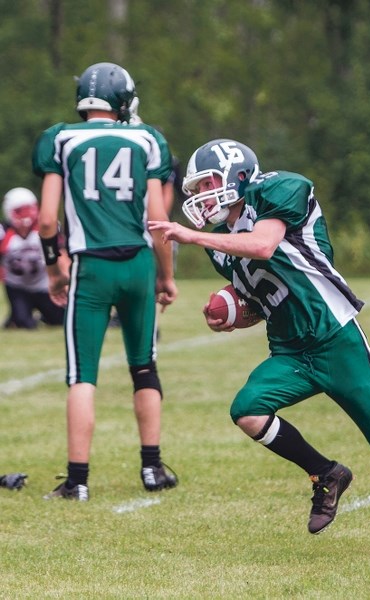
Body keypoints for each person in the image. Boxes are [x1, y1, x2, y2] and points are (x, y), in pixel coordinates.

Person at [149, 138, 370, 554]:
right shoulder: (221, 248)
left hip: (335, 340)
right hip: (291, 351)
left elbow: (262, 244)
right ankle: (325, 473)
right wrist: (233, 315)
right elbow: (264, 301)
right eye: (196, 190)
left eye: (207, 185)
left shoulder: (278, 190)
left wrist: (191, 237)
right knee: (248, 409)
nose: (201, 197)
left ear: (238, 176)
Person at [32, 62, 179, 501]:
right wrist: (165, 276)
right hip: (137, 264)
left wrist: (55, 269)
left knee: (83, 376)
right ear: (123, 100)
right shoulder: (148, 138)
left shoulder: (60, 138)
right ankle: (152, 468)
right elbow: (158, 221)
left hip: (91, 266)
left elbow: (44, 221)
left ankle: (77, 480)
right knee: (144, 366)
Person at [1, 187, 67, 329]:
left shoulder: (44, 230)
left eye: (29, 209)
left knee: (60, 320)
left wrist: (64, 279)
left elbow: (62, 256)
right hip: (18, 288)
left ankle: (36, 315)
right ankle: (16, 317)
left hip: (44, 286)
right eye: (20, 211)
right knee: (24, 323)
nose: (26, 215)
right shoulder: (4, 233)